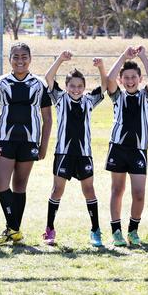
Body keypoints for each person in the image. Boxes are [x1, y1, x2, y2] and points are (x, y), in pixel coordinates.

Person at [0, 42, 52, 244]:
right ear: (9, 59)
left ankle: (13, 230)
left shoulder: (39, 84)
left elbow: (47, 118)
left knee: (20, 185)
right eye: (16, 56)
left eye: (24, 56)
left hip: (29, 140)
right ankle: (14, 227)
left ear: (30, 59)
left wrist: (43, 145)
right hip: (5, 140)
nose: (20, 60)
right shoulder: (0, 83)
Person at [42, 51, 107, 247]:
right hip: (63, 153)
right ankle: (49, 230)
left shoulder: (89, 100)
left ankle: (95, 230)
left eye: (80, 86)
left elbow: (105, 86)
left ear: (84, 87)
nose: (76, 89)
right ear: (67, 86)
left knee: (89, 190)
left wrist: (101, 67)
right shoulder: (61, 98)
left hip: (84, 154)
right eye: (72, 86)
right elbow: (48, 78)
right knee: (57, 190)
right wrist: (60, 60)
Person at [105, 46, 148, 247]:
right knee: (117, 189)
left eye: (134, 77)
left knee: (139, 193)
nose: (130, 81)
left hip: (138, 150)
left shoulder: (146, 97)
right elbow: (108, 79)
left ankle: (133, 230)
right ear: (121, 80)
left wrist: (143, 56)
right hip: (118, 148)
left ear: (140, 79)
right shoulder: (118, 96)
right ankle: (116, 231)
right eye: (126, 78)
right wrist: (123, 55)